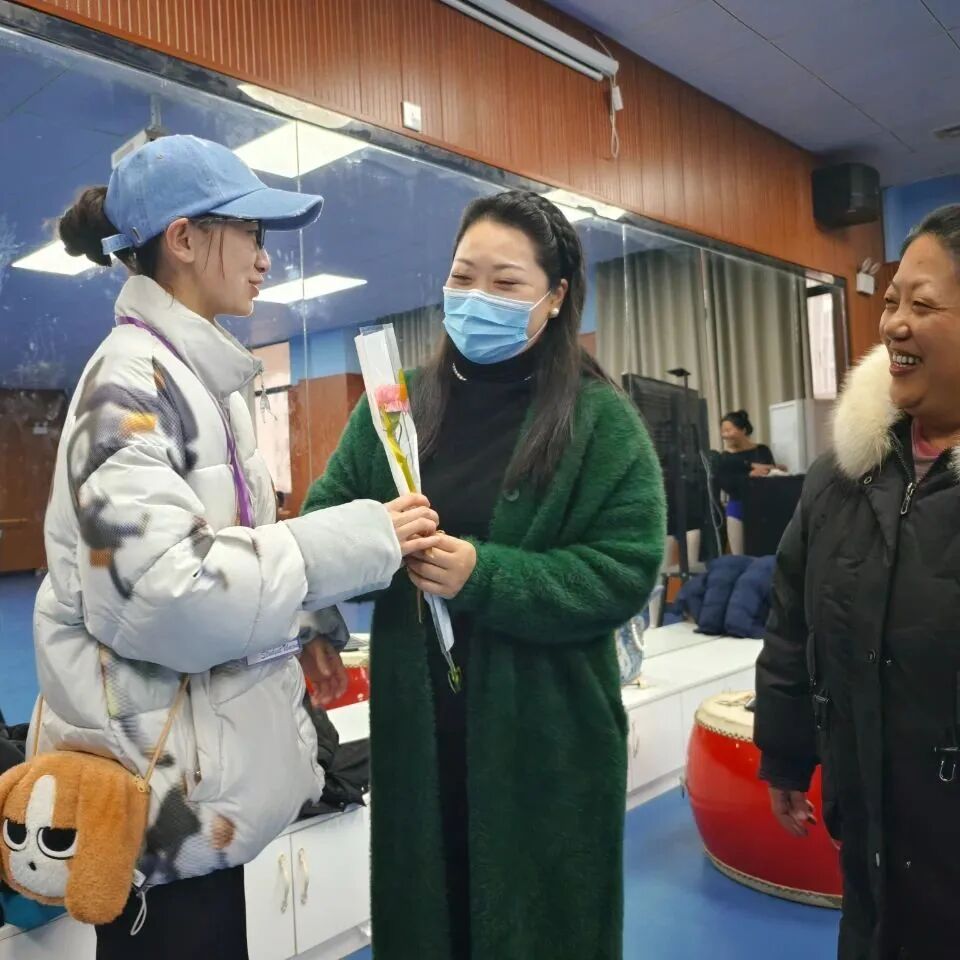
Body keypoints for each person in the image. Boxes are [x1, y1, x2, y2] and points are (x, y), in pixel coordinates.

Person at [31, 135, 440, 960]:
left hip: (201, 801)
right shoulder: (129, 391)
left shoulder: (198, 380)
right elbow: (168, 594)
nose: (263, 259)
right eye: (251, 233)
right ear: (184, 240)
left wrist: (306, 625)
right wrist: (362, 538)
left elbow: (234, 551)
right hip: (163, 813)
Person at [302, 189, 666, 959]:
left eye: (506, 284)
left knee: (541, 926)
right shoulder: (396, 405)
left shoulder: (600, 422)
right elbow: (324, 519)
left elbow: (625, 570)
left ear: (555, 296)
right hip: (420, 738)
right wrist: (336, 596)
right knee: (432, 921)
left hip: (548, 744)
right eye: (463, 277)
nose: (477, 300)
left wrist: (484, 576)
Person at [754, 204, 960, 960]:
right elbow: (791, 623)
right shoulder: (840, 478)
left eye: (925, 304)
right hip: (870, 836)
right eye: (893, 300)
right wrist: (784, 752)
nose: (895, 324)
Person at [717, 409, 776, 554]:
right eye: (723, 431)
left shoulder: (762, 450)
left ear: (743, 430)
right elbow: (727, 484)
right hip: (737, 507)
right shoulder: (725, 457)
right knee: (739, 556)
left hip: (762, 507)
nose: (725, 435)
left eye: (729, 430)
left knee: (763, 553)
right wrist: (750, 473)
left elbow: (772, 474)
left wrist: (767, 470)